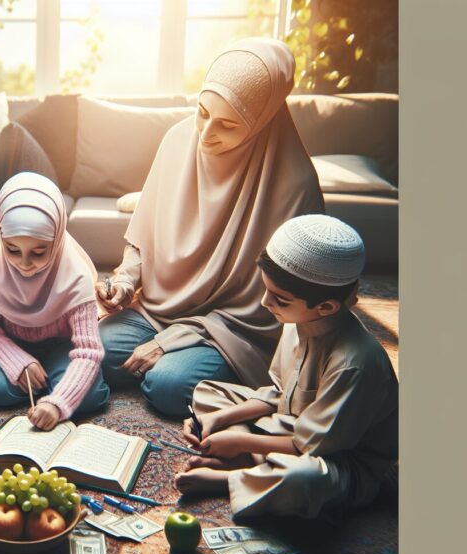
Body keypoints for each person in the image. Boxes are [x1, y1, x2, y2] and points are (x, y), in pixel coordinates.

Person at [96, 38, 325, 417]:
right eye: (202, 113)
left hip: (230, 329)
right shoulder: (177, 140)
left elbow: (275, 305)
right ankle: (169, 365)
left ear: (262, 120)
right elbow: (143, 237)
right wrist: (124, 282)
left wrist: (173, 342)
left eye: (228, 124)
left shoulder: (295, 185)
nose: (205, 134)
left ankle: (174, 367)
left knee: (167, 385)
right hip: (158, 311)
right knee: (92, 351)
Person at [174, 215, 398, 521]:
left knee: (303, 479)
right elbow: (281, 394)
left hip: (338, 461)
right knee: (209, 391)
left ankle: (231, 478)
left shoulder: (353, 365)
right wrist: (219, 418)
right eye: (266, 290)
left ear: (326, 307)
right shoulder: (298, 320)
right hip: (291, 425)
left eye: (279, 299)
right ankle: (254, 467)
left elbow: (311, 448)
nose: (265, 302)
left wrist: (239, 440)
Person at [0, 172, 110, 430]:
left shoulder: (75, 277)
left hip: (62, 347)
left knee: (91, 397)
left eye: (39, 252)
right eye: (12, 249)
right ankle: (48, 379)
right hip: (12, 343)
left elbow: (88, 350)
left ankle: (54, 382)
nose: (24, 264)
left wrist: (58, 403)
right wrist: (17, 362)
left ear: (56, 241)